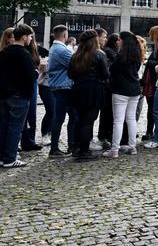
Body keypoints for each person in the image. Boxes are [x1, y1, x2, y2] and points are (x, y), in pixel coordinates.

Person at [0, 24, 38, 168]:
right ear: (24, 37)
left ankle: (3, 156)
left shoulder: (4, 52)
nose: (31, 39)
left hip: (4, 95)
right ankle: (10, 158)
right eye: (30, 37)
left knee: (5, 126)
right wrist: (37, 73)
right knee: (15, 127)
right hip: (19, 95)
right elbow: (31, 75)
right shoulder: (23, 53)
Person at [68, 30, 110, 160]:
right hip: (94, 90)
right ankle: (84, 150)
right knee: (88, 121)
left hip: (78, 89)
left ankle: (76, 148)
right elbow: (105, 74)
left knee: (79, 120)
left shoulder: (76, 55)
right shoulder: (99, 54)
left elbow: (70, 74)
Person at [107, 31, 143, 158]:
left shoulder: (120, 56)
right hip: (134, 89)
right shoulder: (137, 54)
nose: (117, 41)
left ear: (123, 41)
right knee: (131, 119)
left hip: (121, 90)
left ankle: (114, 149)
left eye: (119, 39)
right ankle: (132, 146)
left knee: (118, 120)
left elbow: (112, 70)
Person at [46, 25, 74, 157]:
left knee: (60, 117)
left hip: (58, 86)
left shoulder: (54, 48)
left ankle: (60, 146)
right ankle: (60, 147)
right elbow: (76, 64)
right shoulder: (62, 50)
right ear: (65, 35)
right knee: (63, 118)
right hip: (63, 87)